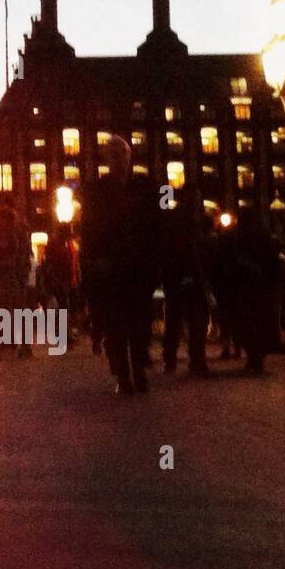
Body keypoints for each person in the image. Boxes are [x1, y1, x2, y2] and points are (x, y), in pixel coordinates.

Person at [80, 136, 160, 395]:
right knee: (115, 326)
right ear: (107, 158)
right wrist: (93, 260)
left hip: (139, 266)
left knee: (140, 323)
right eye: (113, 154)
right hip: (110, 267)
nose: (119, 158)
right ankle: (123, 375)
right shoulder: (94, 189)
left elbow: (158, 221)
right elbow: (88, 228)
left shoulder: (146, 185)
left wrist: (155, 257)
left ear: (129, 156)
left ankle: (138, 370)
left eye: (122, 153)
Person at [214, 207, 285, 374]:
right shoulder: (263, 237)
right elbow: (273, 264)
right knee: (258, 325)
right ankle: (256, 359)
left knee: (245, 326)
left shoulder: (232, 238)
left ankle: (254, 358)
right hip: (256, 289)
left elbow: (222, 264)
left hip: (241, 290)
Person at [161, 184, 212, 377]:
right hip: (186, 276)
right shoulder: (188, 221)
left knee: (175, 320)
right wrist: (195, 275)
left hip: (176, 277)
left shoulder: (176, 218)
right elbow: (187, 250)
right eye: (195, 198)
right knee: (194, 320)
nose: (197, 202)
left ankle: (171, 360)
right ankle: (196, 361)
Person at [0, 202, 32, 356]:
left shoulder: (5, 234)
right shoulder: (21, 232)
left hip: (4, 277)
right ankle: (20, 345)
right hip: (17, 276)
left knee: (2, 309)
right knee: (17, 310)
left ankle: (4, 345)